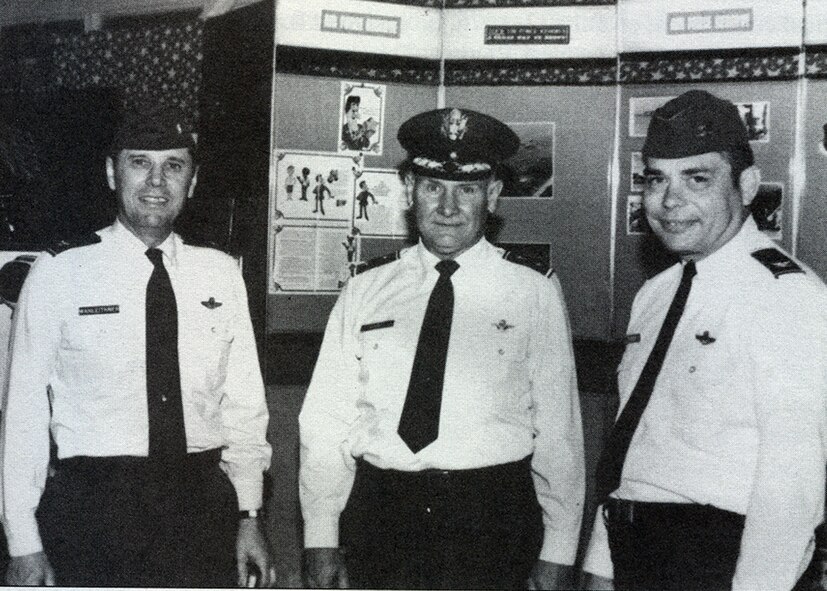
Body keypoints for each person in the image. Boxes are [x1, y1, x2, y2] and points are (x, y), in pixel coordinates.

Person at [300, 107, 584, 590]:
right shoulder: (366, 288)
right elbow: (326, 420)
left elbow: (559, 430)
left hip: (490, 519)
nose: (448, 207)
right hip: (383, 517)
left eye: (467, 189)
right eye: (434, 187)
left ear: (491, 195)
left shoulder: (532, 289)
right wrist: (321, 535)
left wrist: (559, 548)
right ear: (409, 190)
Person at [0, 107, 273, 587]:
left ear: (193, 179)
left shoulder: (221, 274)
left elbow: (245, 407)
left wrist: (249, 514)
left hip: (201, 508)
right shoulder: (59, 272)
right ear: (111, 172)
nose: (156, 181)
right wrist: (22, 539)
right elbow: (22, 416)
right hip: (93, 511)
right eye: (139, 162)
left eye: (173, 165)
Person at [582, 90, 827, 591]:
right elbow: (638, 438)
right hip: (635, 551)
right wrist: (601, 567)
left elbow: (794, 488)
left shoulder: (788, 296)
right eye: (656, 179)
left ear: (748, 185)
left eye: (697, 178)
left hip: (722, 562)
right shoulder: (656, 293)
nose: (670, 202)